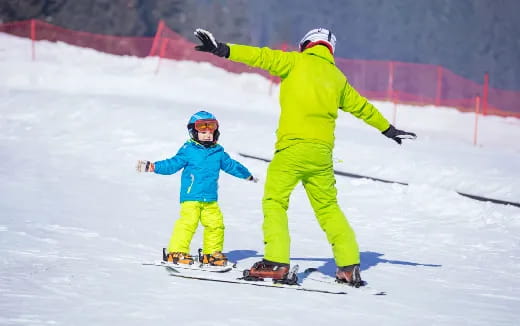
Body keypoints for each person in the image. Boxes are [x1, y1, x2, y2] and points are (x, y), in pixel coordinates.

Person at [193, 28, 416, 286]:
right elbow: (362, 107)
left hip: (291, 150)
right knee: (328, 208)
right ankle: (348, 266)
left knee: (275, 201)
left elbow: (259, 56)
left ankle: (276, 261)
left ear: (306, 44)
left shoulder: (294, 62)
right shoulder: (337, 78)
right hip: (321, 156)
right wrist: (388, 129)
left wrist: (222, 48)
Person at [136, 110, 258, 267]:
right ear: (193, 132)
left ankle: (212, 254)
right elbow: (172, 164)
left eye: (210, 132)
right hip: (191, 197)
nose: (207, 135)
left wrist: (247, 175)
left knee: (216, 225)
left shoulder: (218, 152)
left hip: (210, 199)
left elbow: (231, 165)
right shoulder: (188, 150)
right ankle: (176, 252)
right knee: (188, 223)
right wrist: (153, 167)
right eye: (203, 132)